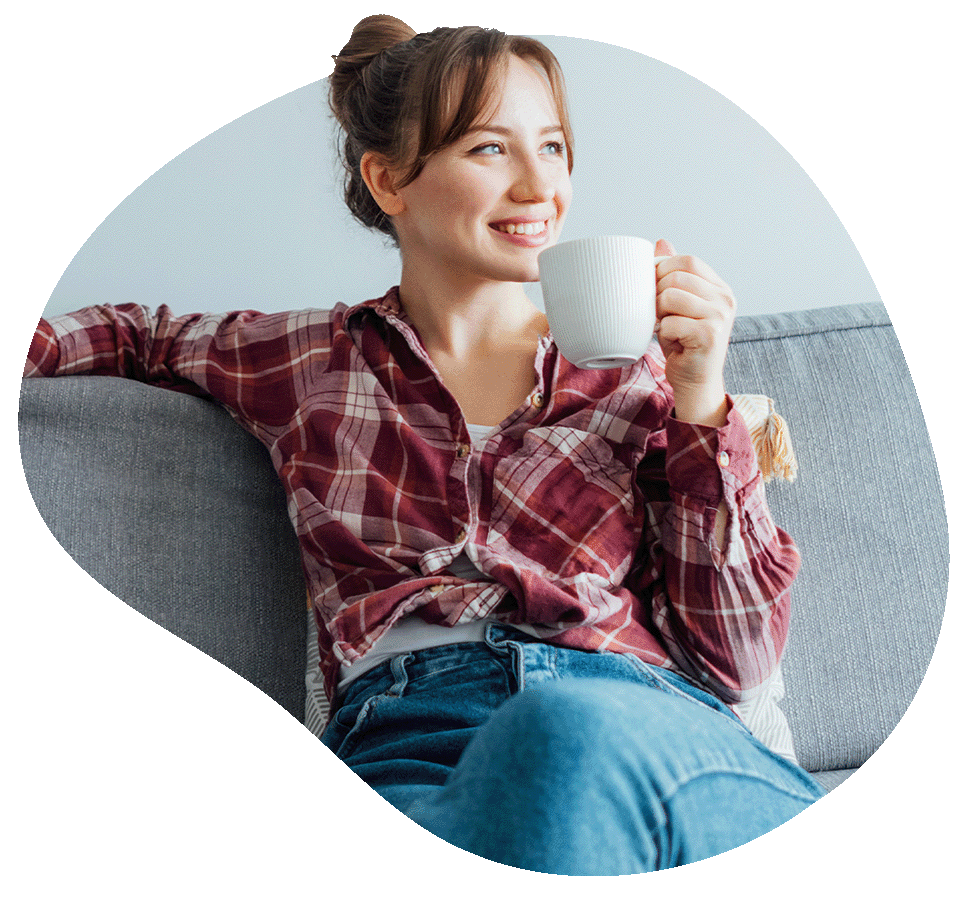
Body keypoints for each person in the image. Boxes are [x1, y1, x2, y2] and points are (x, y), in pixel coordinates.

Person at [23, 15, 825, 875]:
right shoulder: (304, 360)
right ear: (390, 180)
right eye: (490, 150)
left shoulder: (646, 380)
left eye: (552, 147)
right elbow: (131, 334)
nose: (538, 185)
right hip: (408, 743)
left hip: (632, 721)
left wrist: (702, 399)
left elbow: (735, 662)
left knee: (564, 735)